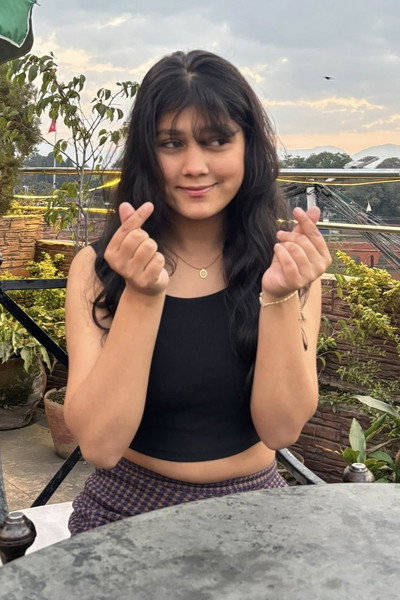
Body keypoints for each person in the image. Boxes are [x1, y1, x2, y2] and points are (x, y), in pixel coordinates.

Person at [64, 49, 332, 535]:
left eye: (216, 141)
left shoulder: (287, 265)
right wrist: (142, 295)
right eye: (171, 143)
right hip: (125, 509)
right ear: (146, 154)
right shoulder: (98, 268)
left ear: (248, 147)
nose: (194, 166)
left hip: (256, 509)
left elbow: (281, 429)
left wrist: (278, 296)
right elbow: (99, 446)